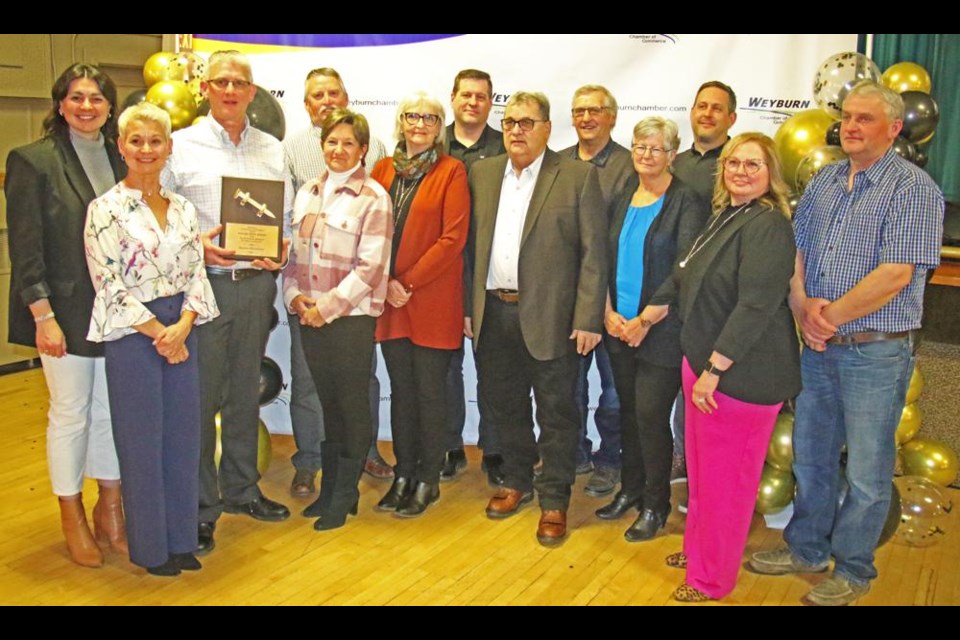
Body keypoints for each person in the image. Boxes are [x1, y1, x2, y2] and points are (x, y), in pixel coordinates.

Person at [748, 81, 944, 606]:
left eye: (865, 119)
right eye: (848, 117)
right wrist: (801, 307)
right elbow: (798, 252)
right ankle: (808, 548)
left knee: (867, 469)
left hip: (875, 353)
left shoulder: (914, 189)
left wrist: (826, 317)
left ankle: (855, 568)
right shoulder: (827, 180)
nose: (851, 127)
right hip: (818, 345)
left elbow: (896, 274)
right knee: (810, 455)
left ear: (895, 128)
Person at [638, 132, 800, 602]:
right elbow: (683, 274)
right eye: (734, 163)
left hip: (737, 376)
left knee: (728, 485)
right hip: (704, 368)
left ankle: (712, 580)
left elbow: (755, 305)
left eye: (753, 164)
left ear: (771, 174)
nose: (741, 172)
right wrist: (650, 313)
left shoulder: (768, 225)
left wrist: (714, 368)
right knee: (705, 477)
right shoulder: (726, 215)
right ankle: (701, 550)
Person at [161, 50, 293, 555]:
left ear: (253, 92)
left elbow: (284, 219)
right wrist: (199, 243)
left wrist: (282, 250)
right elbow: (162, 216)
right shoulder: (181, 146)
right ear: (206, 89)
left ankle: (241, 489)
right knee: (200, 400)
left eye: (240, 83)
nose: (231, 91)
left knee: (243, 392)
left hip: (256, 287)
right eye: (221, 82)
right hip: (203, 289)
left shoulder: (272, 150)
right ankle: (200, 506)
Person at [84, 103, 219, 576]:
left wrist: (183, 325)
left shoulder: (183, 207)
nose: (146, 149)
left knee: (183, 437)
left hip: (182, 328)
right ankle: (152, 549)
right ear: (121, 147)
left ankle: (182, 540)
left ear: (169, 148)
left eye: (155, 141)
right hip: (134, 335)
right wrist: (160, 333)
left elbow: (197, 272)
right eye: (136, 141)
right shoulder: (104, 210)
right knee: (143, 441)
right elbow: (108, 283)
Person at [468, 91, 606, 546]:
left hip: (552, 318)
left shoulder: (577, 177)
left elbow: (593, 256)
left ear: (548, 128)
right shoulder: (483, 174)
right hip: (494, 313)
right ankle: (516, 481)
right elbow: (470, 251)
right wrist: (470, 309)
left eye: (527, 123)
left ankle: (554, 500)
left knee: (557, 414)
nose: (517, 131)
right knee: (504, 407)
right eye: (510, 123)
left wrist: (588, 317)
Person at [5, 63, 127, 568]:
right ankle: (71, 513)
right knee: (70, 414)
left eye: (96, 98)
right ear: (60, 105)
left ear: (109, 107)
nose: (86, 107)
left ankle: (111, 507)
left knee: (108, 413)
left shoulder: (124, 160)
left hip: (119, 313)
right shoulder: (33, 162)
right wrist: (42, 316)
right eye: (76, 97)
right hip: (63, 312)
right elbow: (26, 247)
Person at [283, 108, 393, 530]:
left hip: (348, 321)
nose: (339, 150)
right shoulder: (308, 191)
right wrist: (295, 299)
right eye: (332, 142)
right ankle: (331, 490)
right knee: (328, 405)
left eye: (349, 143)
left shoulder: (374, 198)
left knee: (350, 405)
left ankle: (344, 494)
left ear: (363, 150)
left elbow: (370, 270)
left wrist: (325, 309)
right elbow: (293, 259)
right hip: (309, 316)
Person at [599, 117, 709, 541]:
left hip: (660, 330)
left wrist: (645, 319)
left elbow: (684, 269)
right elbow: (605, 258)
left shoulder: (686, 200)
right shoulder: (625, 191)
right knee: (626, 412)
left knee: (649, 416)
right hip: (618, 325)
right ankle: (630, 489)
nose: (645, 155)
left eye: (655, 149)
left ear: (672, 155)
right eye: (640, 147)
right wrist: (608, 312)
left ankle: (655, 504)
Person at [372, 93, 469, 517]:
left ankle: (428, 478)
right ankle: (403, 474)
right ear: (400, 121)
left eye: (430, 117)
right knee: (402, 393)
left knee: (431, 394)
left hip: (430, 299)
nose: (420, 123)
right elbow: (368, 230)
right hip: (390, 301)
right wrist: (384, 282)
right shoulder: (381, 169)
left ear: (440, 126)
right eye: (412, 115)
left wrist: (405, 281)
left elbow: (452, 239)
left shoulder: (452, 171)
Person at [560, 85, 634, 497]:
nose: (586, 118)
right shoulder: (558, 164)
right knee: (568, 389)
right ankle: (574, 454)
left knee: (613, 393)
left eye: (595, 111)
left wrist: (606, 302)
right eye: (579, 111)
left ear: (612, 116)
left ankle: (610, 460)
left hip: (615, 301)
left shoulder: (628, 166)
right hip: (567, 299)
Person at [667, 80, 739, 490]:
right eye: (701, 106)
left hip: (718, 300)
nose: (707, 114)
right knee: (681, 386)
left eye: (717, 108)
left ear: (731, 118)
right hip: (674, 291)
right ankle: (682, 461)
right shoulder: (677, 164)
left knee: (708, 390)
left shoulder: (737, 163)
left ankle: (708, 479)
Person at [440, 69, 506, 486]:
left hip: (490, 273)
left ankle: (496, 449)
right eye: (466, 95)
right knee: (445, 368)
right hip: (442, 274)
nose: (473, 102)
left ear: (490, 102)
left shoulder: (507, 146)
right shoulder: (431, 141)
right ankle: (448, 445)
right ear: (453, 97)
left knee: (495, 369)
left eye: (481, 97)